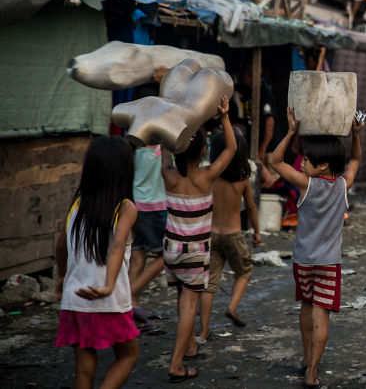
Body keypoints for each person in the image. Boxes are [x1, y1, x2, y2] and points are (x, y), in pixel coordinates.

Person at [268, 106, 364, 389]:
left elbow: (274, 160)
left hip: (303, 261)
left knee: (306, 307)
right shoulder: (343, 185)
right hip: (329, 263)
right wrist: (355, 135)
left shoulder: (307, 185)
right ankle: (312, 370)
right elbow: (356, 158)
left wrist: (291, 132)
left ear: (322, 166)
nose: (301, 163)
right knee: (321, 313)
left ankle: (306, 357)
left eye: (307, 160)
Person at [54, 136, 140, 389]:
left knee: (83, 366)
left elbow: (61, 246)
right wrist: (108, 285)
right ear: (125, 170)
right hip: (109, 300)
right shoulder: (126, 208)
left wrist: (62, 278)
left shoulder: (77, 205)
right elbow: (117, 245)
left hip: (76, 298)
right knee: (128, 355)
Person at [161, 96, 237, 383]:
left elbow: (165, 148)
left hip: (171, 249)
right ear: (203, 149)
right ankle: (176, 364)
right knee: (188, 308)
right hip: (195, 252)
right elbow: (230, 148)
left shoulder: (168, 174)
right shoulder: (206, 178)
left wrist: (168, 117)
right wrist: (225, 117)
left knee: (182, 300)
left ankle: (190, 344)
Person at [197, 129, 260, 342]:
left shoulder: (209, 176)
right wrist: (257, 232)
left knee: (209, 284)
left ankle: (203, 330)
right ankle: (232, 307)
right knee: (244, 271)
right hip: (233, 234)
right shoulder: (242, 179)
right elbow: (250, 207)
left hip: (211, 235)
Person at [127, 143, 166, 331]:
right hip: (153, 207)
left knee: (137, 257)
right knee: (165, 256)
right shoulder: (157, 149)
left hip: (135, 205)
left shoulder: (133, 149)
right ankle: (127, 298)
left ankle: (132, 314)